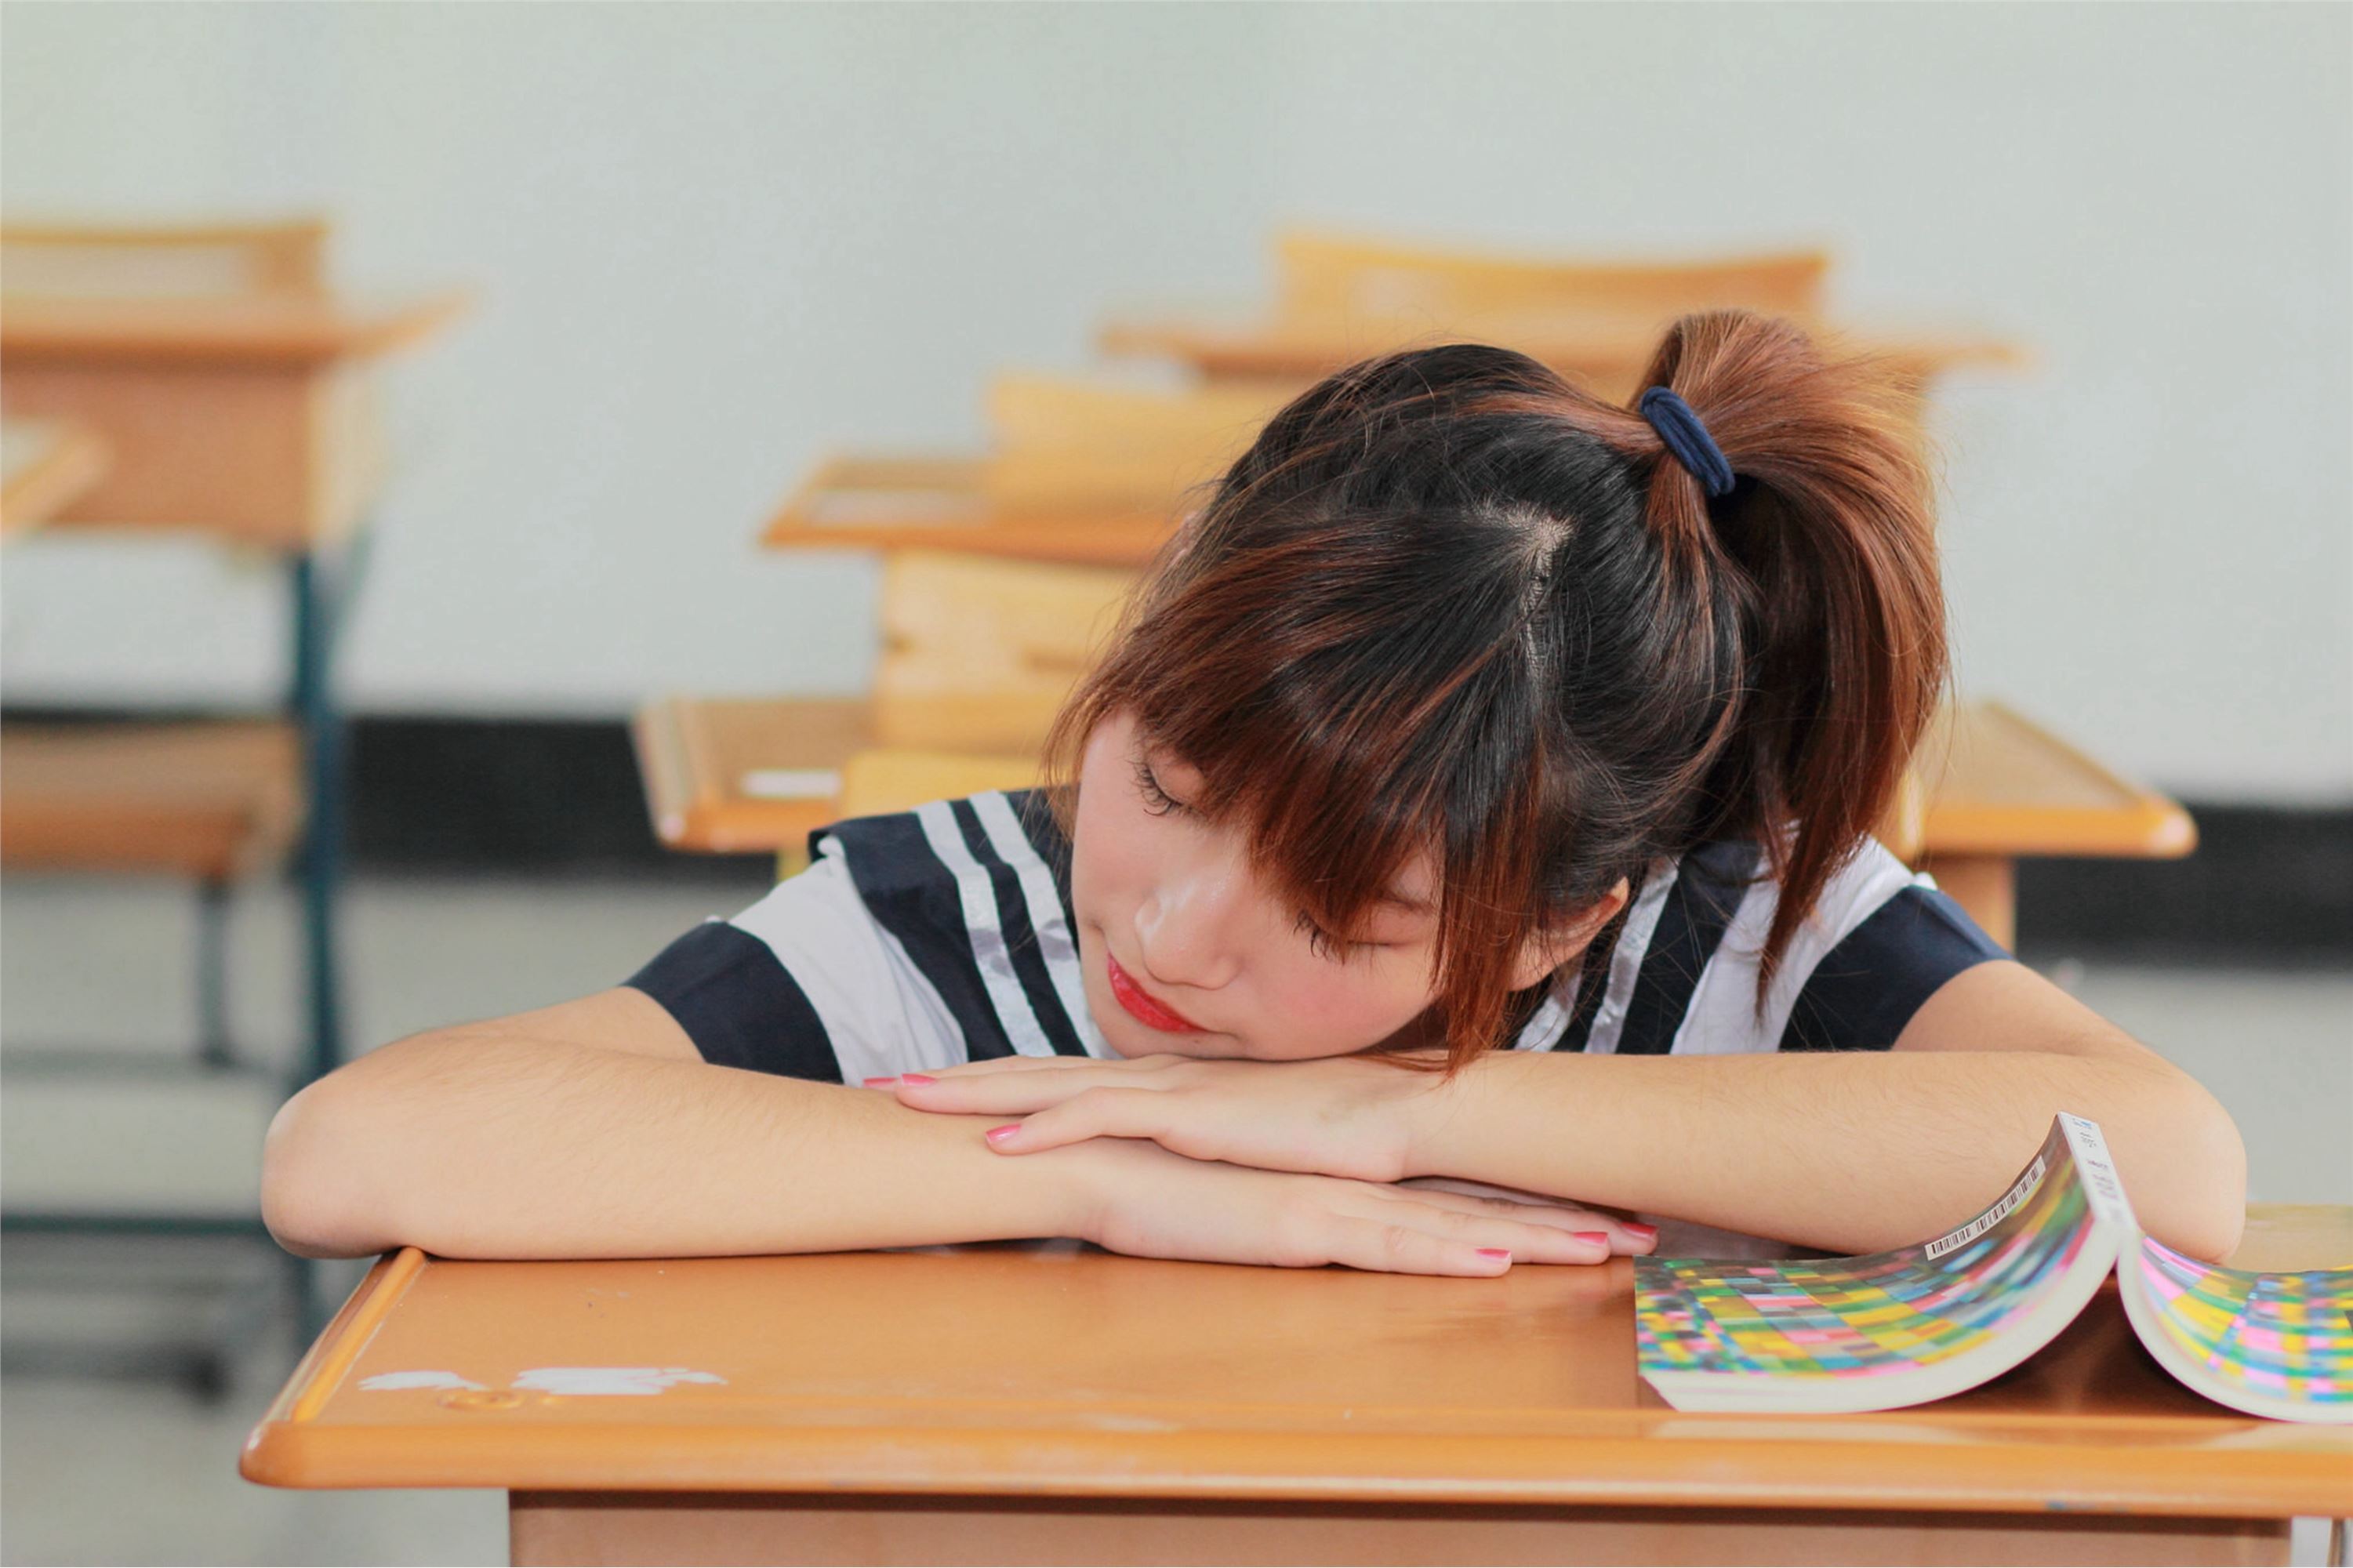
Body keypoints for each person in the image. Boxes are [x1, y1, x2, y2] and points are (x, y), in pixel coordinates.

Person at [260, 313, 2247, 1277]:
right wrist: (1129, 1176)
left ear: (1563, 917)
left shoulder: (1736, 922)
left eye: (1343, 918)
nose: (1164, 927)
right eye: (1165, 775)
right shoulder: (973, 915)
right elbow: (356, 1151)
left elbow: (2168, 1166)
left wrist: (1395, 1111)